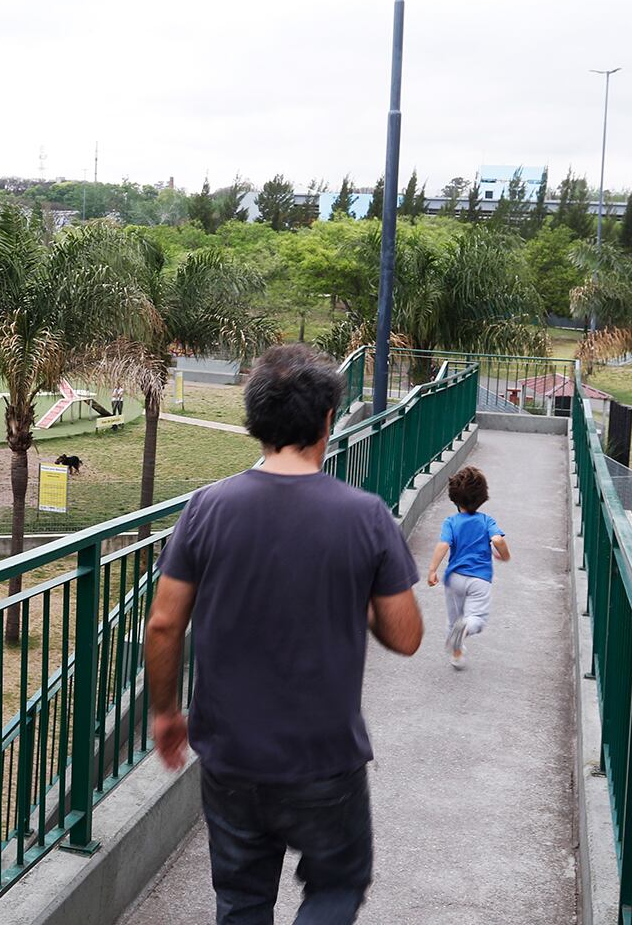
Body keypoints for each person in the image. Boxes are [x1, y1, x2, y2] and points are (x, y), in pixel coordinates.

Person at [145, 344, 423, 925]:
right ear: (327, 419)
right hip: (326, 760)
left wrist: (168, 713)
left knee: (242, 903)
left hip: (231, 759)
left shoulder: (206, 508)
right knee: (336, 888)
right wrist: (362, 590)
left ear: (255, 421)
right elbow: (406, 636)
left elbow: (165, 622)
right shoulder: (365, 515)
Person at [426, 466, 510, 670]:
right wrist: (504, 555)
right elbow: (497, 540)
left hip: (454, 577)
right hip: (479, 579)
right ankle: (464, 631)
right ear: (482, 497)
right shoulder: (486, 520)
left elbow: (443, 545)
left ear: (454, 499)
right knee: (477, 620)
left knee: (454, 621)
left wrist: (432, 569)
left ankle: (457, 654)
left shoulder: (451, 522)